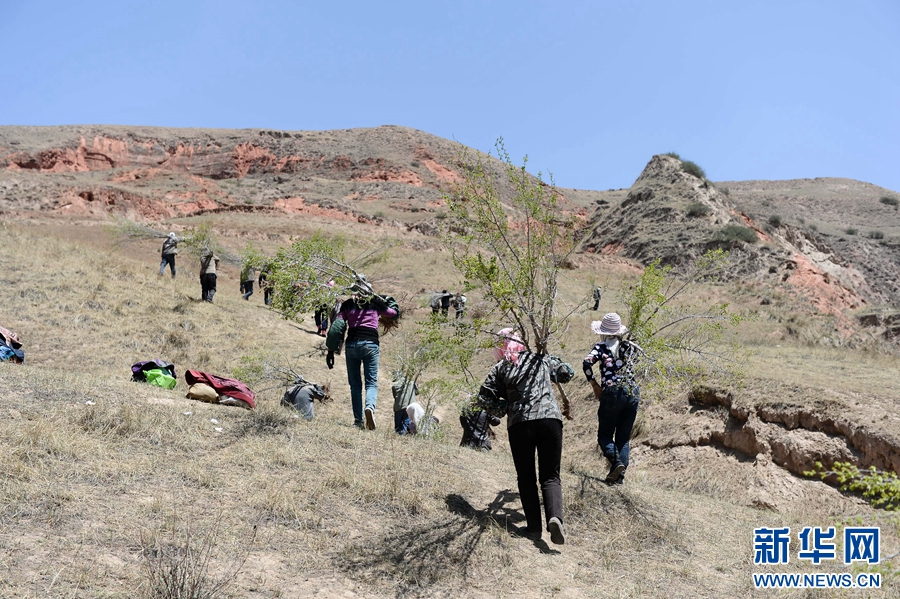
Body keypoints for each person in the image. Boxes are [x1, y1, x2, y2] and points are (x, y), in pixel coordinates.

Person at [476, 328, 566, 545]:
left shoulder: (501, 367)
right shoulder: (540, 359)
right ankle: (555, 517)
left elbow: (483, 398)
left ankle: (534, 528)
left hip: (520, 423)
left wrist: (504, 407)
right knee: (551, 476)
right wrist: (553, 360)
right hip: (550, 420)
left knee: (526, 477)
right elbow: (567, 373)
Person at [326, 287, 398, 430]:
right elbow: (393, 314)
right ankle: (369, 407)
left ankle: (358, 421)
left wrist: (330, 350)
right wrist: (390, 300)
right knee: (371, 382)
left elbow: (337, 327)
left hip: (352, 345)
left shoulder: (347, 305)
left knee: (355, 385)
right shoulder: (375, 303)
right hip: (370, 345)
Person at [582, 313, 640, 486]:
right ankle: (618, 479)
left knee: (604, 435)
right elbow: (635, 362)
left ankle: (616, 463)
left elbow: (586, 363)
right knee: (623, 438)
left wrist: (594, 385)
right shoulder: (629, 347)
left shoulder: (600, 347)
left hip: (612, 392)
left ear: (603, 332)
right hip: (632, 393)